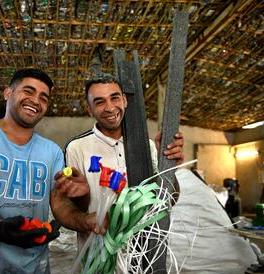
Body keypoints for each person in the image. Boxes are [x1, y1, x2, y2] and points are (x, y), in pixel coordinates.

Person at [0, 68, 98, 274]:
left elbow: (60, 205)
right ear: (8, 93)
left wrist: (86, 219)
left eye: (43, 97)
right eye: (28, 91)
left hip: (33, 267)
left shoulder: (51, 151)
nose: (36, 100)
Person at [57, 73, 184, 251]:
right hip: (97, 255)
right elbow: (74, 206)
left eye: (114, 98)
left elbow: (169, 199)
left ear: (124, 100)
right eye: (99, 102)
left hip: (143, 252)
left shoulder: (146, 145)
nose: (109, 108)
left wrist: (169, 168)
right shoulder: (77, 147)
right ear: (90, 110)